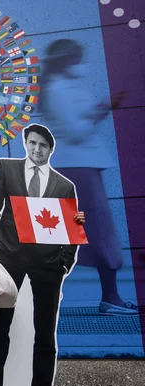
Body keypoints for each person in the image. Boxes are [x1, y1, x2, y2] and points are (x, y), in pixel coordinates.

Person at [0, 124, 86, 386]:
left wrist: (65, 262)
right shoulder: (6, 168)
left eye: (43, 146)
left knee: (45, 336)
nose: (37, 149)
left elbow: (72, 225)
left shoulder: (64, 185)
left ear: (50, 149)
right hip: (10, 258)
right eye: (32, 143)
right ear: (25, 143)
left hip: (48, 266)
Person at [40, 39, 134, 315]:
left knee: (82, 234)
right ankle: (111, 298)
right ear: (66, 60)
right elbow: (76, 131)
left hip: (81, 167)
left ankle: (109, 297)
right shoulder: (57, 89)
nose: (81, 64)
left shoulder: (61, 87)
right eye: (77, 58)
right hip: (78, 169)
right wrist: (103, 108)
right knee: (99, 230)